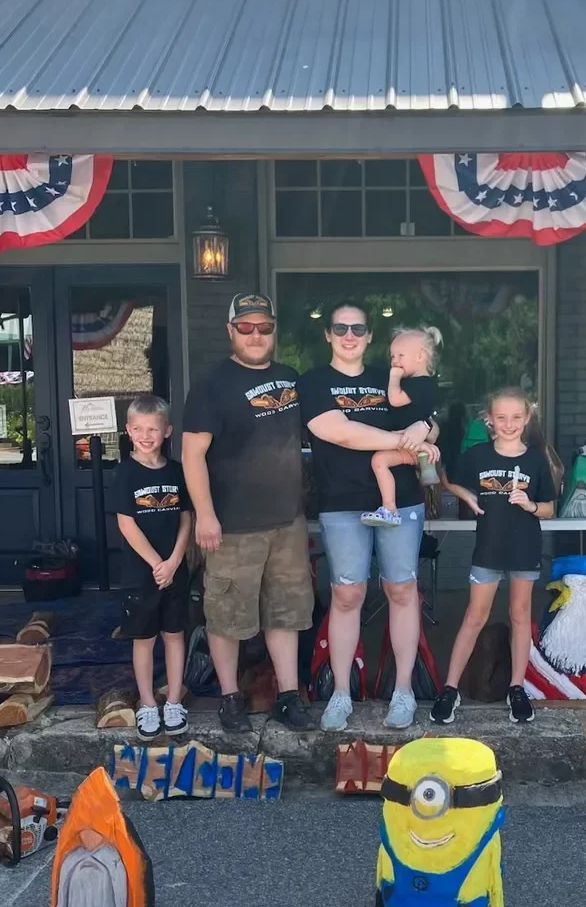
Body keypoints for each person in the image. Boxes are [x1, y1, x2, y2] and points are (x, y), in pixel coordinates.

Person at [297, 303, 440, 734]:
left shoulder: (391, 374)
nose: (349, 334)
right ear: (328, 335)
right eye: (340, 327)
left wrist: (426, 431)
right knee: (347, 595)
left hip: (402, 500)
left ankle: (403, 691)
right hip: (341, 501)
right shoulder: (315, 382)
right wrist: (403, 438)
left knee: (401, 590)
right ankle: (341, 692)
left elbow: (429, 417)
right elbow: (336, 430)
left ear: (370, 335)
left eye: (358, 327)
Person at [182, 293, 316, 735]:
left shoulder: (292, 379)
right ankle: (229, 698)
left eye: (264, 327)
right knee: (227, 616)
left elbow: (331, 430)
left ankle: (289, 696)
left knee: (286, 612)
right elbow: (192, 454)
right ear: (231, 331)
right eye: (246, 327)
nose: (256, 335)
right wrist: (204, 514)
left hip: (287, 522)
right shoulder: (211, 386)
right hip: (232, 526)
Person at [432, 386, 557, 727]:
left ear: (527, 418)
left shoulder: (535, 458)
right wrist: (468, 498)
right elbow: (448, 479)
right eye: (501, 417)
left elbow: (548, 508)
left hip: (524, 548)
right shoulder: (478, 456)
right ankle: (450, 688)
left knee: (519, 616)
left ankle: (517, 688)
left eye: (516, 417)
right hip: (488, 549)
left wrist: (529, 505)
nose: (509, 423)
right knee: (475, 616)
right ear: (489, 419)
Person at [112, 395, 192, 741]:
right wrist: (156, 563)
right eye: (139, 429)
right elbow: (127, 524)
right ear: (129, 431)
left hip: (174, 569)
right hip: (140, 572)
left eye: (154, 430)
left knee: (174, 634)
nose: (147, 436)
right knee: (143, 638)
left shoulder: (177, 471)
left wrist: (174, 561)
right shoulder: (125, 473)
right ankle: (147, 703)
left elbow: (187, 518)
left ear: (167, 431)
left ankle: (173, 700)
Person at [362, 326, 441, 528]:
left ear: (420, 356)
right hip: (409, 441)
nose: (394, 361)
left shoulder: (421, 384)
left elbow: (395, 400)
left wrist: (394, 378)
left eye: (400, 355)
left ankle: (389, 508)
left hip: (411, 444)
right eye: (392, 356)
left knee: (379, 460)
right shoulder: (420, 383)